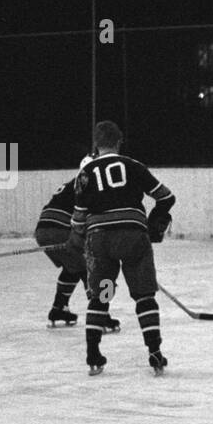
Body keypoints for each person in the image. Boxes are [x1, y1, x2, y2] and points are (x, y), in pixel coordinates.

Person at [68, 121, 175, 376]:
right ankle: (154, 353)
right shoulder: (134, 166)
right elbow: (166, 197)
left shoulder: (84, 173)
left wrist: (78, 236)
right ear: (119, 142)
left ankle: (93, 354)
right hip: (133, 238)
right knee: (144, 296)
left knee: (102, 295)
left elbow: (79, 217)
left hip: (101, 241)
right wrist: (154, 222)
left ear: (96, 144)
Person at [33, 151, 117, 331]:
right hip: (61, 229)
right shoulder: (89, 185)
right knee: (90, 268)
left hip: (43, 231)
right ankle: (100, 316)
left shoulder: (74, 183)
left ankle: (59, 309)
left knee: (72, 267)